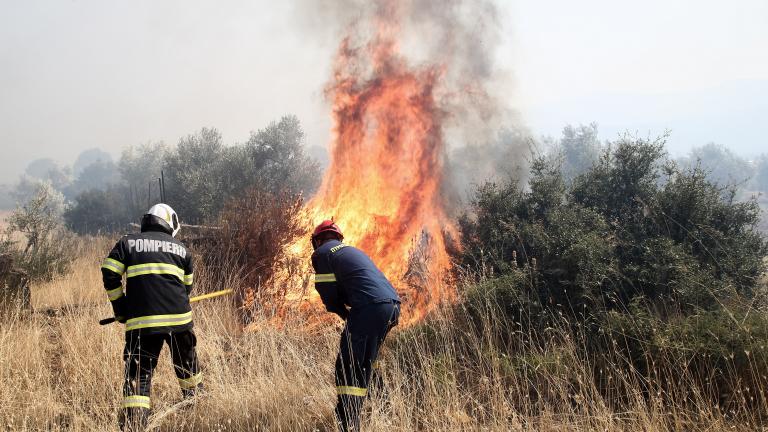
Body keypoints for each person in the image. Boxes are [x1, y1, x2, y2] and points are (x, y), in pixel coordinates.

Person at [101, 203, 201, 431]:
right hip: (180, 321)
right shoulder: (182, 249)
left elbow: (109, 271)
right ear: (170, 223)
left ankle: (135, 425)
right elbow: (187, 287)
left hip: (143, 323)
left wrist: (120, 307)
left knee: (140, 374)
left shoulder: (128, 243)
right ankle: (196, 404)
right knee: (188, 366)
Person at [310, 220, 401, 432]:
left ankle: (348, 422)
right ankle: (386, 408)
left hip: (370, 307)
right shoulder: (351, 251)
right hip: (392, 305)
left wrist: (342, 312)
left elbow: (328, 292)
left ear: (319, 239)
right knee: (366, 360)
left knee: (348, 364)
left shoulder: (322, 252)